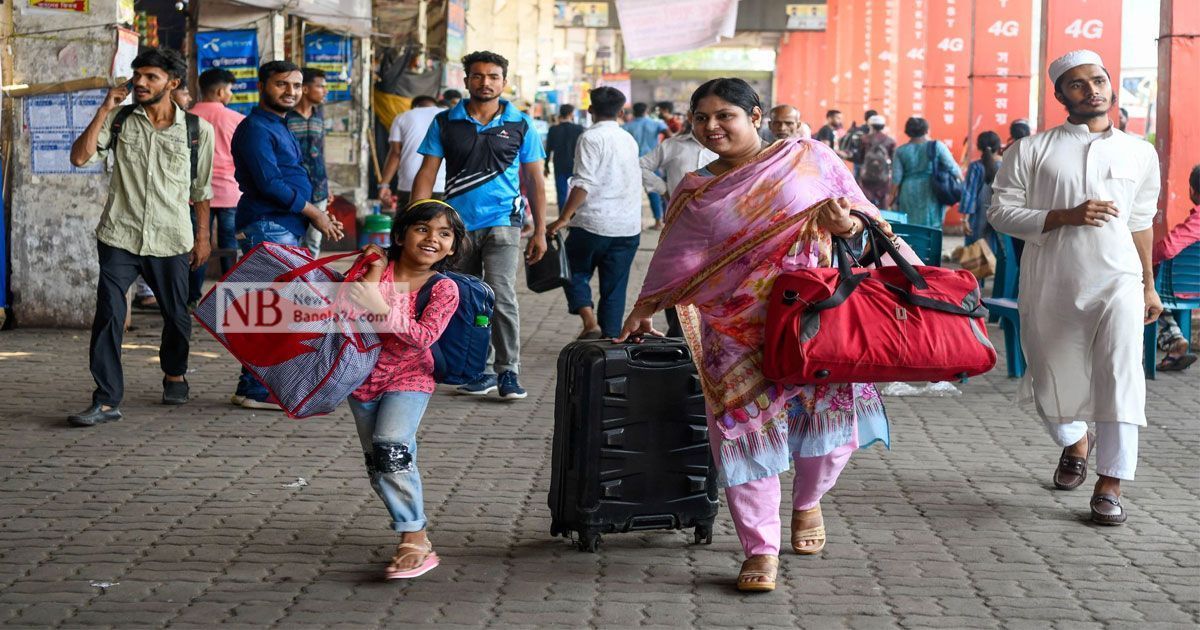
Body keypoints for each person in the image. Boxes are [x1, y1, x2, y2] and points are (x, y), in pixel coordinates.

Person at [616, 78, 892, 593]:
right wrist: (645, 305)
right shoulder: (696, 188)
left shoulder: (809, 158)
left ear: (756, 116)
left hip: (815, 317)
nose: (711, 127)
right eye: (700, 118)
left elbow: (868, 222)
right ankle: (759, 547)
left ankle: (808, 501)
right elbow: (678, 254)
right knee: (742, 434)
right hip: (733, 327)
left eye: (725, 116)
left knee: (831, 432)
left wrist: (846, 228)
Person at [988, 49, 1162, 526]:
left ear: (1111, 84)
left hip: (1119, 280)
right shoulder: (1030, 150)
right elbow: (1000, 211)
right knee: (1049, 375)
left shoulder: (1140, 153)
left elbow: (1141, 223)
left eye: (1099, 80)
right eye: (1079, 84)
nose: (1092, 90)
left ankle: (1111, 482)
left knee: (1120, 374)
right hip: (1052, 281)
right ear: (1061, 94)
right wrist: (1063, 216)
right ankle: (1074, 441)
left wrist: (1149, 286)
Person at [66, 47, 215, 427]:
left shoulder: (198, 131)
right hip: (120, 234)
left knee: (177, 316)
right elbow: (80, 158)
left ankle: (174, 371)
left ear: (173, 83)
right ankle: (106, 399)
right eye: (138, 76)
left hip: (170, 237)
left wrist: (203, 239)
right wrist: (103, 109)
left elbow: (201, 190)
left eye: (151, 77)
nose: (141, 83)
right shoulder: (118, 120)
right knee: (109, 316)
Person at [410, 50, 548, 400]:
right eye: (478, 76)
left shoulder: (520, 123)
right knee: (463, 298)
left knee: (500, 295)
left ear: (504, 81)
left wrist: (542, 230)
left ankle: (508, 371)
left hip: (504, 222)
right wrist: (417, 222)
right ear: (466, 79)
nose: (485, 82)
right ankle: (477, 369)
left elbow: (534, 179)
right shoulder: (446, 121)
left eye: (493, 76)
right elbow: (427, 173)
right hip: (455, 227)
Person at [345, 200, 467, 580]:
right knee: (379, 464)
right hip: (361, 379)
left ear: (452, 247)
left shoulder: (444, 289)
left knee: (391, 447)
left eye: (444, 234)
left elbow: (421, 337)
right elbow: (349, 312)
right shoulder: (377, 270)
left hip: (411, 377)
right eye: (423, 229)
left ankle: (413, 536)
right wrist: (375, 270)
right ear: (400, 235)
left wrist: (378, 306)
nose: (433, 239)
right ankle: (415, 531)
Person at [230, 60, 344, 410]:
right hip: (267, 224)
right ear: (263, 85)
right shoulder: (255, 128)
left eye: (296, 86)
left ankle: (255, 386)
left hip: (283, 226)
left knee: (274, 309)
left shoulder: (278, 125)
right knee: (272, 310)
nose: (291, 92)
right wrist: (314, 213)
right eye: (282, 84)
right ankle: (254, 389)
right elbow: (269, 183)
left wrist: (317, 214)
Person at [545, 87, 642, 340]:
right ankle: (610, 343)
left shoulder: (590, 138)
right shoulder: (628, 139)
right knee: (615, 288)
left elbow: (583, 183)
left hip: (591, 224)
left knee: (572, 272)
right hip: (627, 228)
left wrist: (564, 218)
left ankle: (590, 322)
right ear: (622, 112)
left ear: (590, 110)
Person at [188, 68, 246, 306]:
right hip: (229, 192)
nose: (230, 94)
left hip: (193, 193)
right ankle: (230, 300)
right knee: (229, 246)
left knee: (197, 244)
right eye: (230, 90)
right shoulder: (236, 119)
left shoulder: (186, 117)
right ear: (221, 91)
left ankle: (192, 299)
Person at [1151, 164, 1200, 371]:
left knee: (1144, 289)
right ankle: (1174, 351)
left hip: (1181, 289)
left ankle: (1173, 339)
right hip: (1193, 289)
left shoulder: (1197, 221)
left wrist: (1144, 257)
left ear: (1191, 191)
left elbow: (1167, 249)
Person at [287, 67, 330, 257]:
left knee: (314, 240)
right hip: (293, 188)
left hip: (319, 187)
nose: (325, 91)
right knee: (293, 239)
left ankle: (308, 284)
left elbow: (321, 151)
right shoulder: (286, 117)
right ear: (305, 89)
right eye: (320, 86)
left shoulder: (319, 116)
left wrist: (329, 186)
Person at [889, 116, 960, 228]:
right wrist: (962, 182)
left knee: (911, 225)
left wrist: (891, 197)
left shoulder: (901, 151)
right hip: (931, 189)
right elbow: (952, 167)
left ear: (908, 132)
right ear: (927, 130)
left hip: (908, 191)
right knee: (932, 226)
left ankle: (911, 246)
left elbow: (896, 178)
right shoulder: (937, 146)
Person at [379, 95, 446, 209]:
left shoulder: (402, 117)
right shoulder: (447, 115)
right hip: (443, 184)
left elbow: (395, 154)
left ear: (414, 107)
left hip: (409, 184)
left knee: (409, 224)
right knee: (441, 224)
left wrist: (384, 185)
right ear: (435, 104)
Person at [623, 102, 674, 229]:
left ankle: (637, 222)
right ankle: (658, 221)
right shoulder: (656, 123)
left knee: (633, 193)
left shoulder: (626, 126)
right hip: (652, 162)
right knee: (654, 192)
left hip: (632, 163)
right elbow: (668, 134)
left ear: (634, 111)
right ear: (646, 110)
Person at [959, 131, 1003, 247]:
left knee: (978, 252)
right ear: (998, 146)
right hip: (1001, 215)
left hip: (979, 216)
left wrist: (965, 219)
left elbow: (969, 193)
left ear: (979, 147)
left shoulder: (976, 167)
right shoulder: (1006, 165)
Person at [544, 104, 585, 211]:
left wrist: (546, 166)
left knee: (561, 192)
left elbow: (548, 149)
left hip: (559, 164)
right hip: (575, 165)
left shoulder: (553, 129)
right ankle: (573, 215)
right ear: (571, 114)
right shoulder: (579, 129)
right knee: (576, 191)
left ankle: (562, 216)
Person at [854, 114, 896, 208]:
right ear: (883, 126)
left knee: (866, 203)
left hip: (866, 177)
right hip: (883, 177)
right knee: (883, 202)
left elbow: (859, 158)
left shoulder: (864, 139)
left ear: (870, 125)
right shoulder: (890, 141)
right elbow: (893, 160)